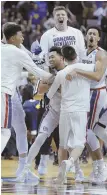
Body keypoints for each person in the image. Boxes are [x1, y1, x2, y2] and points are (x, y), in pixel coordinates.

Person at [1, 23, 52, 183]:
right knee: (5, 132)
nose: (23, 37)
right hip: (5, 93)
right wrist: (60, 75)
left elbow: (12, 69)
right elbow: (37, 70)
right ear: (12, 37)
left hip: (11, 92)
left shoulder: (12, 48)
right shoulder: (16, 50)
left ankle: (23, 169)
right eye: (20, 34)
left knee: (21, 129)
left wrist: (25, 75)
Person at [39, 5, 86, 170]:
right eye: (57, 14)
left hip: (74, 81)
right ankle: (47, 160)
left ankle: (75, 162)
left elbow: (83, 55)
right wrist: (47, 79)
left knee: (74, 124)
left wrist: (80, 73)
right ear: (54, 17)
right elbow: (43, 59)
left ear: (67, 17)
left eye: (62, 14)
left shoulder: (77, 33)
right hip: (56, 79)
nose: (60, 16)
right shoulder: (47, 35)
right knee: (51, 124)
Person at [15, 46, 65, 181]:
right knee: (40, 137)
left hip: (67, 112)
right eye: (49, 57)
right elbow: (41, 90)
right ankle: (26, 169)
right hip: (53, 111)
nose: (50, 59)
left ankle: (72, 172)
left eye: (53, 56)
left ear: (62, 57)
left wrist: (52, 81)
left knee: (66, 144)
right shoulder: (47, 71)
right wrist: (53, 79)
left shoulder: (69, 69)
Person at [47, 45, 96, 184]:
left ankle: (60, 177)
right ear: (76, 55)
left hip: (65, 111)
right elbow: (99, 74)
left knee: (63, 145)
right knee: (79, 144)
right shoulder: (87, 67)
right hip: (80, 111)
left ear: (63, 58)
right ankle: (69, 163)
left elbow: (50, 94)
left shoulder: (61, 74)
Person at [66, 26, 107, 184]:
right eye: (89, 33)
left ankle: (100, 168)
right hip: (83, 94)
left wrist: (77, 70)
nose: (91, 36)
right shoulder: (81, 53)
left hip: (96, 94)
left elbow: (97, 76)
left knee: (86, 130)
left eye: (94, 34)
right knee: (96, 131)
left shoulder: (101, 54)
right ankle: (100, 168)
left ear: (98, 39)